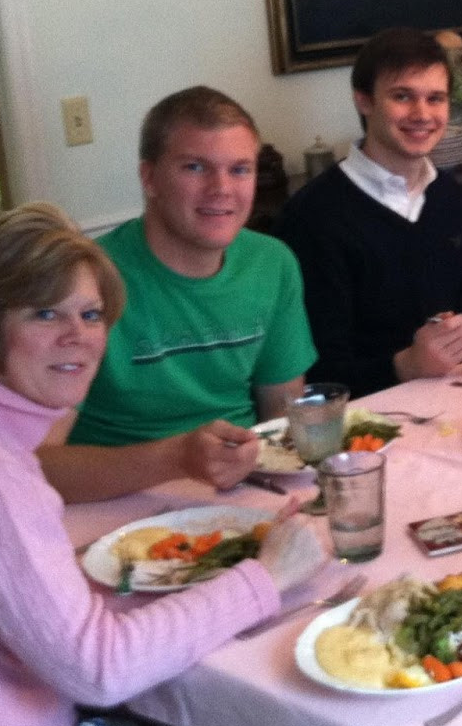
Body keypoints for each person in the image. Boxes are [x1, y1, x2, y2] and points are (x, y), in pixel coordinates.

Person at [0, 204, 329, 726]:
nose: (77, 335)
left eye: (91, 314)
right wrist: (266, 577)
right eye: (44, 312)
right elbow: (99, 670)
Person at [46, 87, 317, 504]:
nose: (221, 188)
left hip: (238, 492)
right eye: (195, 167)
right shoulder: (84, 281)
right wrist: (176, 459)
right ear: (149, 177)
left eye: (240, 169)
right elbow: (39, 464)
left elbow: (282, 417)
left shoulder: (273, 263)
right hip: (114, 507)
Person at [277, 27, 462, 397]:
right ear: (364, 101)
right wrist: (407, 365)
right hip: (371, 424)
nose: (422, 114)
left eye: (436, 99)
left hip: (460, 397)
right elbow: (317, 379)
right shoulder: (314, 216)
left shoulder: (447, 194)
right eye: (402, 96)